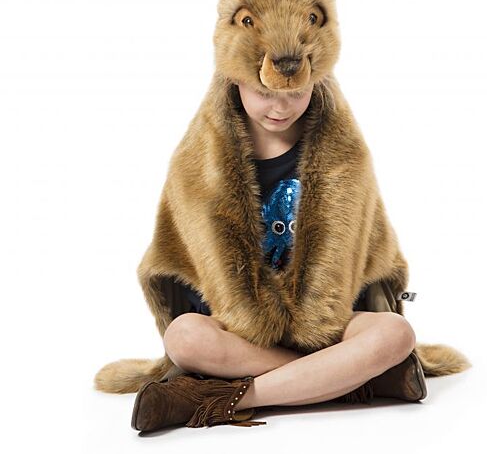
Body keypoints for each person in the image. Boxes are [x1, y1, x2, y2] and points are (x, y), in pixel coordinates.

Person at [160, 81, 417, 411]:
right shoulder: (198, 162)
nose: (281, 107)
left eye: (296, 93)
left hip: (327, 327)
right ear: (236, 80)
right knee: (183, 337)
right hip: (242, 335)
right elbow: (188, 256)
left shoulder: (344, 156)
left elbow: (367, 245)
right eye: (265, 93)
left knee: (396, 333)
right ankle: (351, 378)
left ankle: (224, 400)